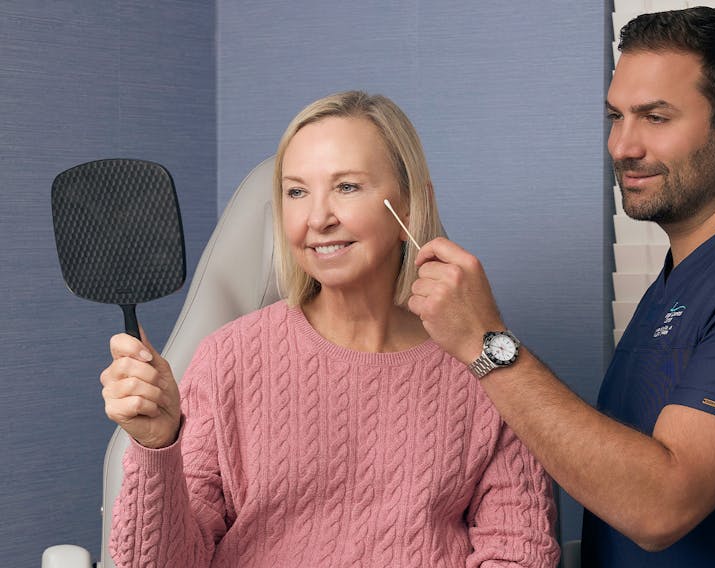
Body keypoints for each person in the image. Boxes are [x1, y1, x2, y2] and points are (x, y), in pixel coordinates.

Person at [408, 7, 715, 567]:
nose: (622, 146)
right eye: (616, 117)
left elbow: (659, 507)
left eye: (655, 118)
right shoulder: (683, 274)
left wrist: (485, 342)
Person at [100, 91, 559, 567]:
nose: (318, 219)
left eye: (347, 187)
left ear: (411, 202)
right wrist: (157, 445)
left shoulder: (484, 365)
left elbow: (518, 552)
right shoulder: (227, 358)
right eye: (297, 192)